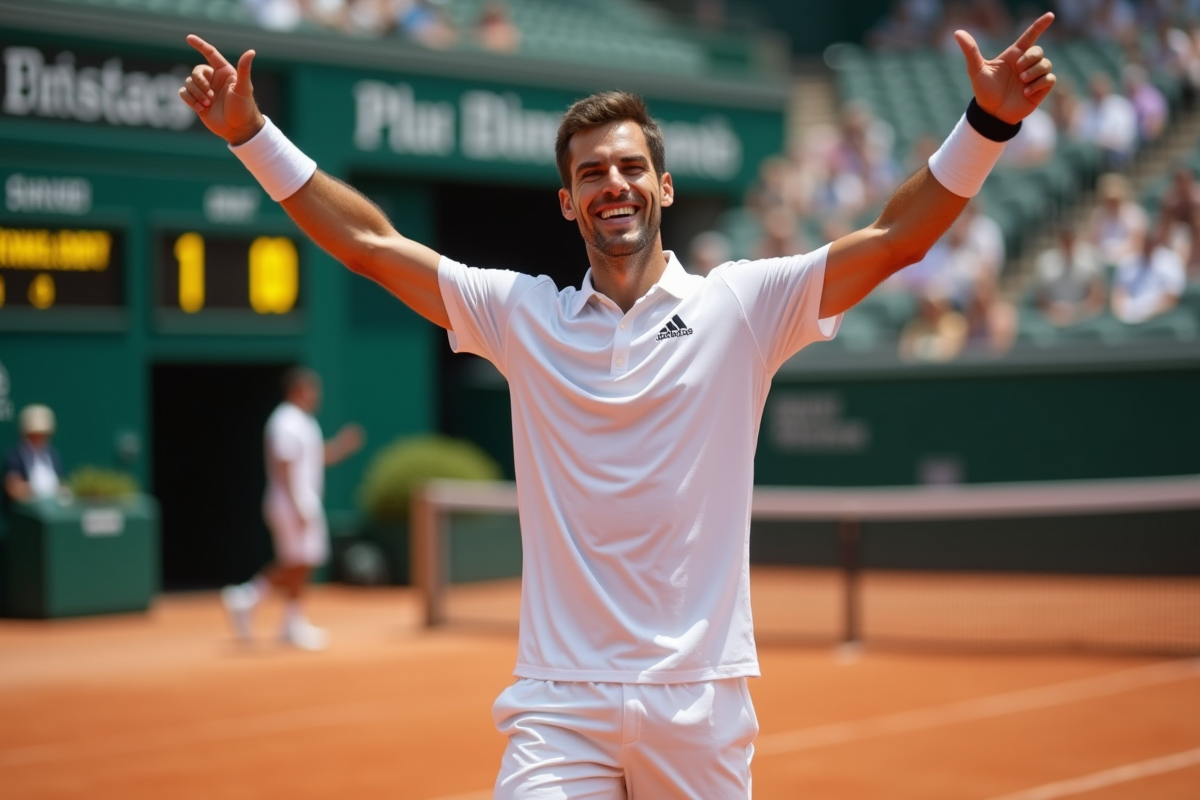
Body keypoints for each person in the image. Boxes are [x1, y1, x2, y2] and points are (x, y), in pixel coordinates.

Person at [178, 14, 1055, 795]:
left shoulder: (744, 305)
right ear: (568, 202)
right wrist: (252, 134)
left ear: (664, 188)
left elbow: (896, 240)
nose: (615, 183)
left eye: (633, 166)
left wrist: (986, 124)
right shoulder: (520, 315)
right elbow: (372, 244)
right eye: (592, 172)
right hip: (560, 701)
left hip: (700, 702)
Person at [221, 367, 364, 650]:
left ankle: (289, 622)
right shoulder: (285, 421)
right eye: (312, 389)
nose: (316, 395)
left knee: (303, 562)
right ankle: (246, 598)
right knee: (295, 562)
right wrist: (298, 505)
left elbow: (313, 457)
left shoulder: (303, 421)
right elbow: (285, 465)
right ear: (297, 390)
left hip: (300, 502)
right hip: (290, 503)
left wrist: (341, 447)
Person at [1035, 225, 1106, 326]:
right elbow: (1040, 297)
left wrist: (1076, 310)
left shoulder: (1089, 258)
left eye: (1071, 239)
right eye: (1065, 239)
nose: (1068, 243)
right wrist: (1054, 310)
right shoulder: (1046, 261)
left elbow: (1097, 296)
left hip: (1084, 318)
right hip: (1053, 318)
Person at [1111, 231, 1187, 324]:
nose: (1148, 245)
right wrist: (1125, 316)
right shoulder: (1127, 262)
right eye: (1145, 241)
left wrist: (1148, 315)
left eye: (1150, 241)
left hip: (1159, 319)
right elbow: (1118, 296)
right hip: (1129, 320)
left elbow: (1171, 298)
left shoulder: (1170, 261)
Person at [4, 404, 64, 504]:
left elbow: (61, 485)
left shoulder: (53, 455)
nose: (39, 438)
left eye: (43, 434)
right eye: (34, 434)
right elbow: (13, 488)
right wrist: (40, 490)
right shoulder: (15, 456)